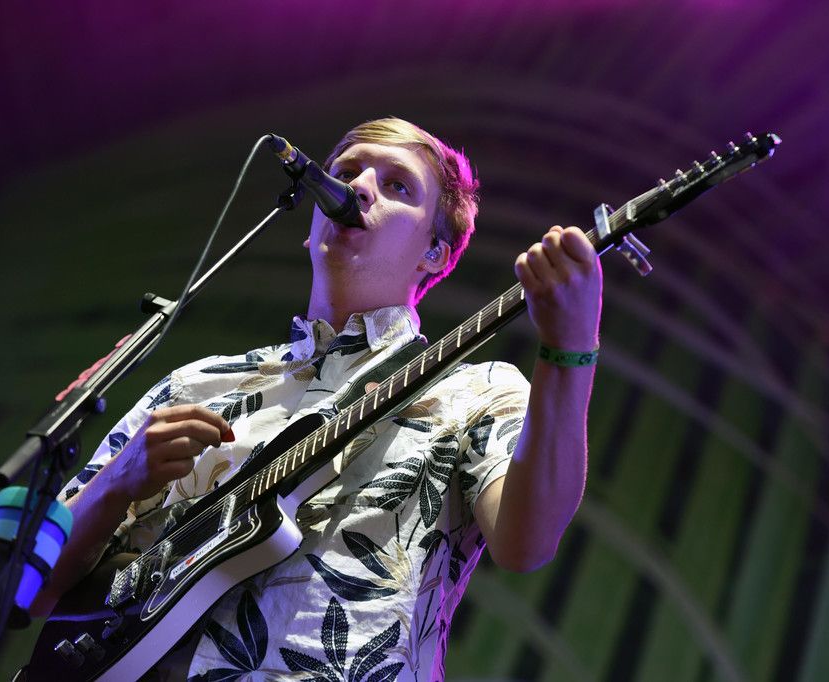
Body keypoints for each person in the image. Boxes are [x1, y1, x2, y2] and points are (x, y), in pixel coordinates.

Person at [31, 117, 602, 680]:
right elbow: (26, 590)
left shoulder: (473, 392)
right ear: (311, 225)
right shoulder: (197, 384)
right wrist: (117, 482)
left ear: (435, 251)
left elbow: (526, 543)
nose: (360, 187)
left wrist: (569, 346)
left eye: (397, 185)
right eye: (347, 172)